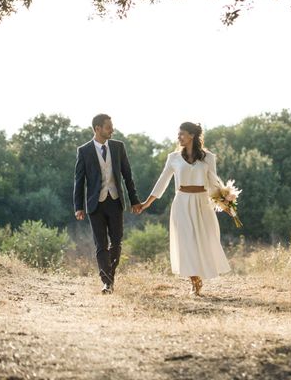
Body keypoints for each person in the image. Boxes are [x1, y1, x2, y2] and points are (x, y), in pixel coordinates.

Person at [138, 122, 230, 296]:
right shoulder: (173, 157)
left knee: (204, 239)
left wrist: (225, 204)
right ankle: (194, 280)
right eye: (178, 134)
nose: (178, 137)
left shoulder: (208, 157)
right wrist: (147, 202)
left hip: (202, 202)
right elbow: (162, 182)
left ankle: (202, 273)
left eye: (182, 134)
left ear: (192, 136)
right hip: (182, 202)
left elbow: (213, 183)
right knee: (186, 242)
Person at [73, 113, 141, 294]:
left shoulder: (118, 147)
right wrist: (78, 207)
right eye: (108, 127)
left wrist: (134, 200)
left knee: (116, 242)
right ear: (98, 129)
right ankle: (107, 282)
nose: (112, 129)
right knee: (100, 244)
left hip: (115, 201)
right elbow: (79, 181)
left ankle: (110, 273)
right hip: (95, 204)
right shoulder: (84, 150)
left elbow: (128, 176)